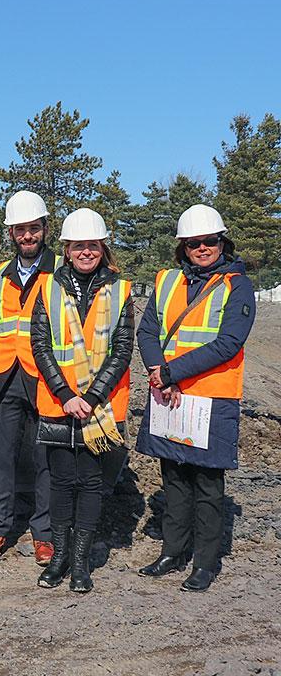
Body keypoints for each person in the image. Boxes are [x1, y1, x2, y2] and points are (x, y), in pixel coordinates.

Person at [135, 205, 255, 593]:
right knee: (173, 477)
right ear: (183, 247)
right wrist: (157, 371)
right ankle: (173, 551)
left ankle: (204, 563)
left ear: (222, 242)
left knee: (206, 483)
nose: (202, 248)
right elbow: (148, 331)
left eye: (209, 241)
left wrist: (170, 373)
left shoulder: (237, 284)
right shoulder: (167, 281)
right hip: (169, 395)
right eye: (194, 243)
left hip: (211, 398)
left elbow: (228, 343)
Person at [30, 209, 134, 594]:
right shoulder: (47, 288)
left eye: (92, 245)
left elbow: (123, 350)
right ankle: (58, 557)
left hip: (99, 407)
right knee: (60, 482)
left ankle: (79, 562)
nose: (86, 252)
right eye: (79, 246)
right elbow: (39, 345)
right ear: (67, 250)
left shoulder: (121, 291)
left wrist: (90, 397)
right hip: (59, 403)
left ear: (102, 248)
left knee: (90, 483)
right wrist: (65, 395)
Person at [0, 191, 60, 565]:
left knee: (45, 457)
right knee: (0, 457)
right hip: (2, 373)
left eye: (33, 228)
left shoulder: (60, 271)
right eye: (20, 230)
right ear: (11, 233)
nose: (27, 236)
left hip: (45, 376)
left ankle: (44, 534)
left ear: (45, 229)